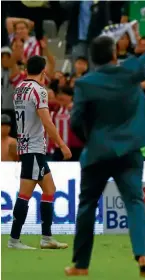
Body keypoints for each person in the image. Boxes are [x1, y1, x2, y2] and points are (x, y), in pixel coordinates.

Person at [65, 9, 145, 278]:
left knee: (87, 205)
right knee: (134, 202)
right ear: (113, 55)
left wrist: (93, 137)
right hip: (129, 150)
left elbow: (75, 122)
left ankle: (80, 265)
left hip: (97, 152)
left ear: (93, 60)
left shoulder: (85, 84)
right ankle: (142, 255)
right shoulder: (130, 72)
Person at [8, 55, 72, 250]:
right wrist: (62, 144)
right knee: (25, 194)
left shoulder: (19, 89)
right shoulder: (39, 91)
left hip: (26, 147)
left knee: (49, 190)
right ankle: (14, 240)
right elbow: (46, 120)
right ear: (44, 71)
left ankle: (46, 238)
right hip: (34, 148)